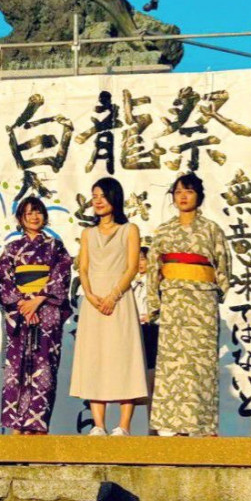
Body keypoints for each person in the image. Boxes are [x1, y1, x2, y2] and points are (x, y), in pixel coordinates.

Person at [147, 173, 231, 437]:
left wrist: (219, 290)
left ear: (199, 196)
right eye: (178, 192)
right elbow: (153, 268)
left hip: (202, 301)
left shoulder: (211, 229)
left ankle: (204, 426)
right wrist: (154, 302)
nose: (183, 196)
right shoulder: (163, 231)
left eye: (189, 191)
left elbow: (223, 264)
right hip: (173, 300)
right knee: (173, 365)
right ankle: (173, 427)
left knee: (201, 364)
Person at [69, 178, 147, 436]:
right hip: (94, 303)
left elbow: (132, 267)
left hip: (121, 300)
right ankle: (98, 424)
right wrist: (90, 295)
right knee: (96, 358)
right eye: (94, 196)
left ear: (114, 197)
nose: (98, 201)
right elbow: (83, 267)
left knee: (125, 357)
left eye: (102, 195)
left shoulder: (129, 230)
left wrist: (113, 295)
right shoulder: (87, 233)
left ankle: (123, 425)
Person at [0, 196, 72, 435]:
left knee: (44, 368)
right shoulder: (12, 249)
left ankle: (38, 425)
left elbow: (62, 274)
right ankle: (16, 425)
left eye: (38, 212)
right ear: (21, 218)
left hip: (46, 311)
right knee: (15, 368)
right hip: (20, 313)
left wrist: (39, 299)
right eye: (28, 213)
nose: (34, 217)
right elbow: (3, 279)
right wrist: (22, 303)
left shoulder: (55, 247)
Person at [131, 246, 159, 435]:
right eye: (138, 259)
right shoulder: (130, 283)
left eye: (144, 259)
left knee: (152, 380)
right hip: (133, 332)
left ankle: (154, 426)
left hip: (152, 330)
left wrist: (152, 316)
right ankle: (125, 426)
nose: (141, 263)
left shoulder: (157, 283)